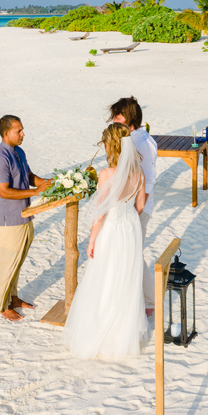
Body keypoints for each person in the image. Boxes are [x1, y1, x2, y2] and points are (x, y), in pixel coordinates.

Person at [61, 123, 149, 358]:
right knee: (126, 278)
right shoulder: (138, 172)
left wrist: (91, 241)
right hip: (130, 227)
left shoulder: (107, 174)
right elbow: (140, 205)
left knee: (107, 276)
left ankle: (103, 333)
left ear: (111, 146)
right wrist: (129, 218)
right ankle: (123, 336)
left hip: (112, 227)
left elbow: (100, 213)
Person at [0, 115, 52, 321]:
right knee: (5, 262)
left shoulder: (19, 152)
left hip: (25, 214)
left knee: (18, 260)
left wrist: (49, 183)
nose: (23, 134)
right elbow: (4, 191)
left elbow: (29, 177)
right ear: (6, 133)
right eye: (18, 131)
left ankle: (13, 297)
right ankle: (2, 305)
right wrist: (35, 193)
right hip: (9, 218)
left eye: (22, 130)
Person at [109, 96, 158, 316]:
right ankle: (146, 300)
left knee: (134, 254)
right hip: (130, 207)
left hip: (139, 208)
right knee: (132, 253)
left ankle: (149, 302)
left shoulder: (142, 143)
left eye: (117, 116)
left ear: (128, 117)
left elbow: (148, 180)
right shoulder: (133, 139)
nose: (113, 120)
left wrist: (136, 213)